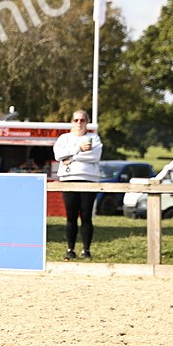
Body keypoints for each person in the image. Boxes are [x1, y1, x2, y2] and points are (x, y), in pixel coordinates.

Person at [53, 110, 103, 261]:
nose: (79, 123)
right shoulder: (64, 138)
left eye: (82, 120)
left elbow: (94, 156)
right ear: (72, 122)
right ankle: (70, 249)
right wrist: (79, 149)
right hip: (68, 179)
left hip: (88, 180)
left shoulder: (93, 138)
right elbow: (58, 155)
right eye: (76, 120)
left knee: (86, 216)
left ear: (87, 122)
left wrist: (71, 158)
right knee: (71, 216)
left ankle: (86, 250)